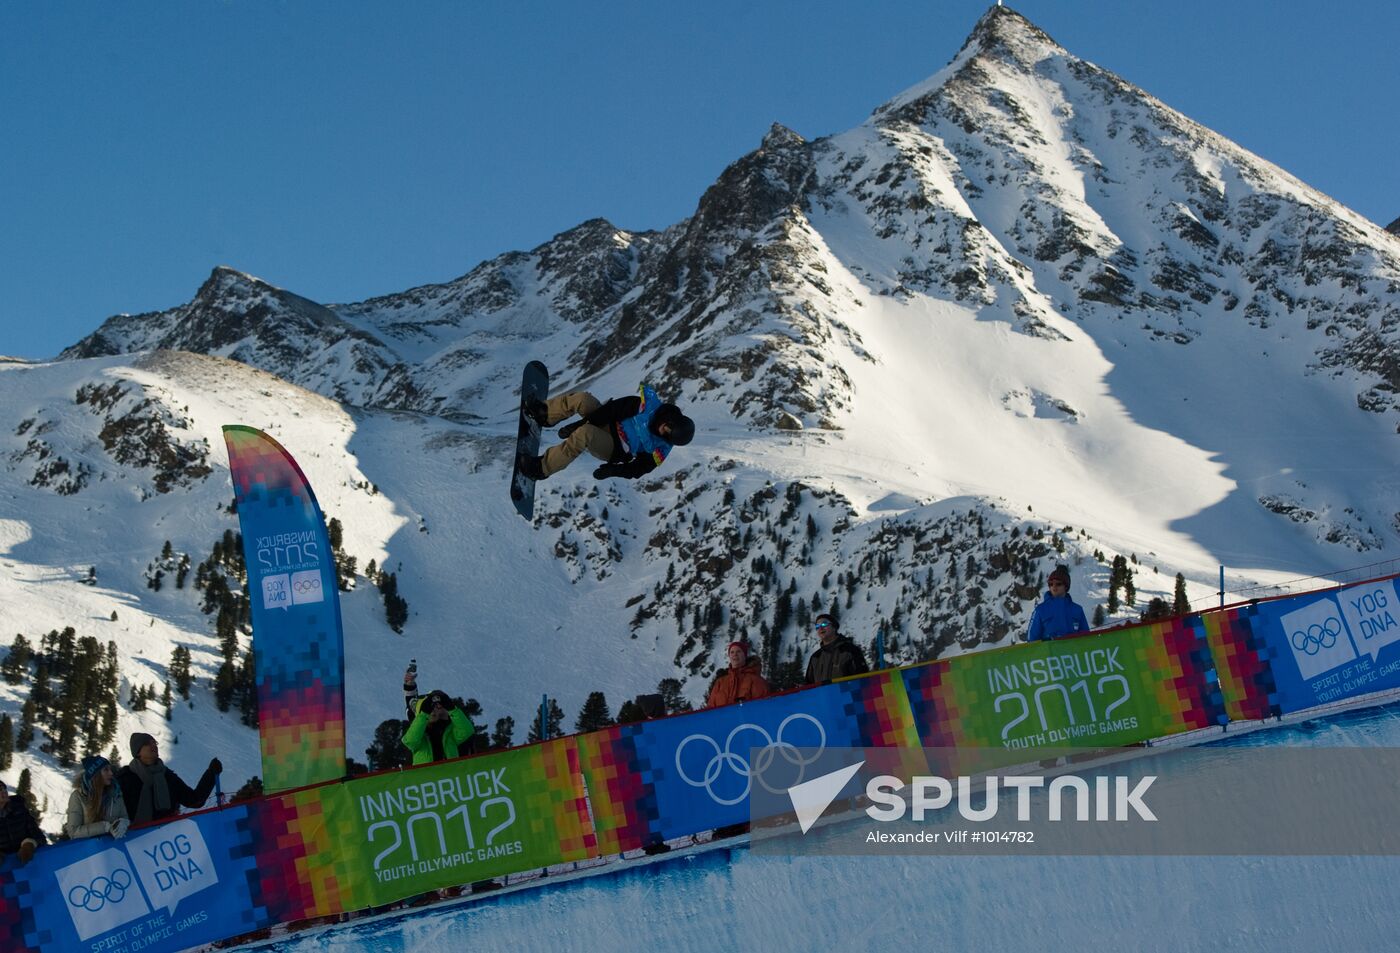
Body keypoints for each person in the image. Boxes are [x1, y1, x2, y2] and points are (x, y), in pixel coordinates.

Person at [518, 384, 694, 482]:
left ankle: (541, 469)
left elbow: (639, 469)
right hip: (605, 421)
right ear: (670, 420)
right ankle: (545, 415)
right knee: (582, 399)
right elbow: (611, 410)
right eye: (667, 429)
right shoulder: (643, 407)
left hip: (612, 447)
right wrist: (581, 422)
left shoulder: (660, 448)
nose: (663, 433)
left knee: (585, 433)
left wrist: (613, 471)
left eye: (667, 436)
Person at [116, 732, 221, 824]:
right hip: (136, 841)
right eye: (148, 743)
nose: (153, 745)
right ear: (138, 751)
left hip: (168, 837)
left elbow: (194, 800)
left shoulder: (167, 775)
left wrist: (211, 774)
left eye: (154, 742)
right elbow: (114, 812)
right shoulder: (126, 777)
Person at [401, 688, 476, 765]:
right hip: (427, 776)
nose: (433, 711)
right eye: (430, 708)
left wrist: (452, 709)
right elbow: (410, 742)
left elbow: (467, 731)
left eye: (437, 707)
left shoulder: (449, 730)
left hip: (450, 774)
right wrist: (423, 715)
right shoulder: (420, 735)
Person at [65, 755, 129, 841]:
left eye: (110, 769)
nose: (111, 773)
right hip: (90, 852)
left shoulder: (116, 793)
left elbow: (124, 817)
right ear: (95, 774)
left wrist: (124, 823)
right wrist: (104, 827)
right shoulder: (78, 796)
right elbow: (74, 832)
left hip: (113, 848)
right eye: (106, 770)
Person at [1027, 565, 1091, 642]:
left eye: (1058, 584)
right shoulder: (1040, 610)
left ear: (1066, 586)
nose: (1054, 587)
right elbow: (1031, 640)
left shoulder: (1077, 610)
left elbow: (1087, 638)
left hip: (1073, 652)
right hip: (1049, 653)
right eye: (1051, 584)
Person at [804, 614, 869, 685]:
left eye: (824, 624)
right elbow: (809, 685)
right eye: (817, 626)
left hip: (846, 695)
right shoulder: (815, 657)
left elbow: (863, 680)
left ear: (834, 627)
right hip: (823, 696)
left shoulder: (850, 651)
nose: (820, 628)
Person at [706, 640, 770, 708]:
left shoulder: (756, 681)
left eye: (738, 651)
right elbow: (710, 709)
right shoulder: (720, 682)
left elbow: (763, 707)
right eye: (732, 652)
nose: (735, 654)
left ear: (744, 655)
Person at [0, 778, 46, 864]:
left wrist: (29, 844)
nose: (4, 791)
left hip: (26, 864)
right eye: (0, 789)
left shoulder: (20, 810)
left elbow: (39, 837)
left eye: (4, 788)